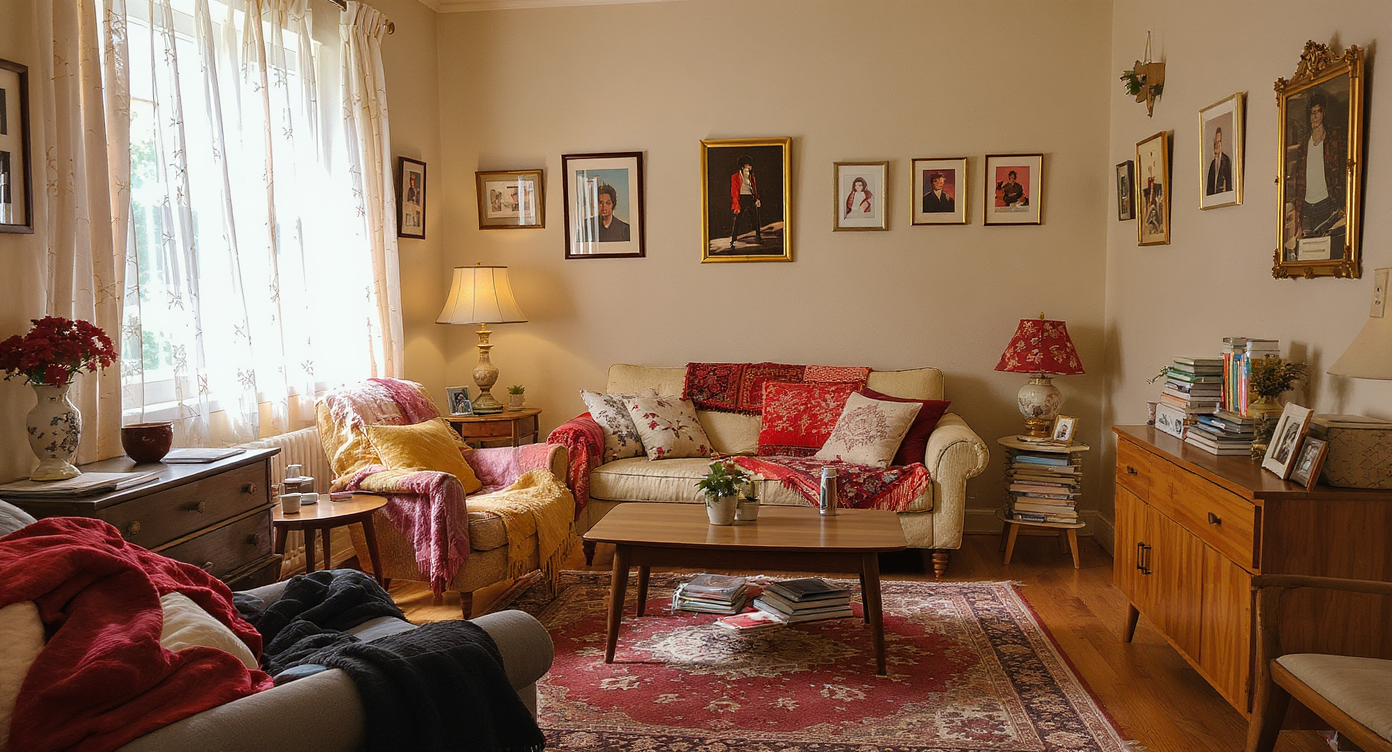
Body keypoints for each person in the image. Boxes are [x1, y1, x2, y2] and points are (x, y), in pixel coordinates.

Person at [1287, 89, 1347, 254]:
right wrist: (1298, 213)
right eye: (1311, 113)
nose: (1313, 117)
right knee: (1307, 251)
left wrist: (1343, 202)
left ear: (1323, 113)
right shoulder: (1304, 144)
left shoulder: (1333, 137)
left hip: (1326, 202)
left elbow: (1341, 171)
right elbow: (1299, 178)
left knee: (1327, 249)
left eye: (1317, 112)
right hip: (1307, 206)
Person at [729, 155, 762, 248]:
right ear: (743, 166)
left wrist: (756, 198)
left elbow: (754, 189)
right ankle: (733, 239)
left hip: (750, 198)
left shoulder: (751, 177)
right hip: (742, 198)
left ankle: (758, 236)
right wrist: (736, 203)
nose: (750, 167)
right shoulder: (735, 177)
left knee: (755, 218)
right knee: (738, 219)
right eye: (748, 166)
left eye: (750, 166)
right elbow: (734, 191)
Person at [1206, 127, 1233, 196]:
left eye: (1219, 142)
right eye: (1216, 142)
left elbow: (1228, 181)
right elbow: (1209, 184)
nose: (1217, 145)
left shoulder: (1225, 160)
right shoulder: (1213, 163)